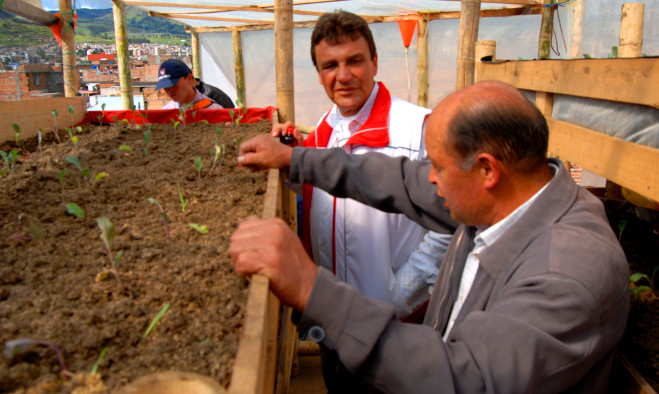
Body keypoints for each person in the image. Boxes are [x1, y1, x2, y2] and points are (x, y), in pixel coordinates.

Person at [231, 81, 630, 393]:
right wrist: (295, 159)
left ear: (487, 170)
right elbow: (400, 179)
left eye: (437, 165)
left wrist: (310, 288)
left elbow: (467, 380)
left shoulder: (565, 273)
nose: (431, 176)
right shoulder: (505, 198)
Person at [272, 10, 455, 319]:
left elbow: (452, 219)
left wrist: (399, 294)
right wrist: (288, 153)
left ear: (375, 62)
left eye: (354, 61)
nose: (343, 76)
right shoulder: (325, 128)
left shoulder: (418, 128)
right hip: (333, 313)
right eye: (330, 65)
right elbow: (316, 197)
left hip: (396, 321)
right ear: (319, 75)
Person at [155, 59, 223, 110]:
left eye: (173, 84)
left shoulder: (212, 110)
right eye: (165, 86)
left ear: (189, 79)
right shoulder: (166, 111)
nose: (170, 90)